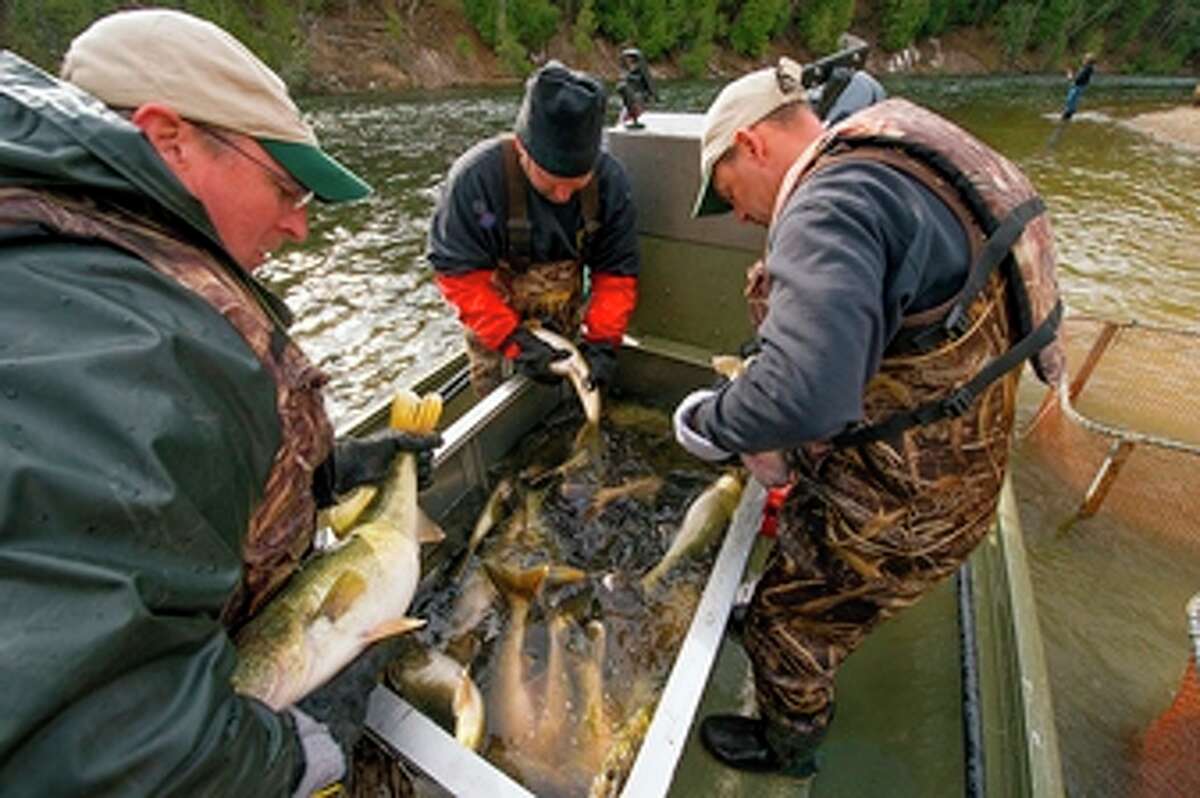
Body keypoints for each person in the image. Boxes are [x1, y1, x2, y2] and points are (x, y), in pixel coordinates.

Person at [0, 9, 439, 796]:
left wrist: (324, 475)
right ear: (168, 139)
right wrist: (304, 752)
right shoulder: (122, 338)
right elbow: (105, 747)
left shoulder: (78, 263)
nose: (300, 224)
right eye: (285, 185)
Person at [672, 57, 1065, 777]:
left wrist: (710, 419)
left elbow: (807, 396)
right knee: (802, 564)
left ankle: (787, 748)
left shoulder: (825, 203)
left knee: (785, 624)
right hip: (964, 478)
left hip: (901, 511)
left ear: (753, 144)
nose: (741, 215)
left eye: (730, 191)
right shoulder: (905, 148)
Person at [428, 60, 640, 398]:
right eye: (552, 182)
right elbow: (459, 278)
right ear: (522, 150)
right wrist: (514, 342)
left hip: (566, 320)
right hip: (494, 326)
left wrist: (602, 342)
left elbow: (616, 276)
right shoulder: (476, 180)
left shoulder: (611, 183)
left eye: (576, 183)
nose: (563, 195)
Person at [616, 47, 658, 128]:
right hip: (629, 100)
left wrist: (652, 97)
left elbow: (650, 85)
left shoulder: (642, 71)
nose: (628, 61)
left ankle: (635, 117)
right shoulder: (626, 72)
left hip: (640, 98)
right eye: (626, 59)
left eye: (630, 59)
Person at [1062, 53, 1097, 120]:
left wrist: (1070, 75)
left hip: (1078, 87)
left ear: (1087, 61)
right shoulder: (1088, 68)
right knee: (1072, 100)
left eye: (1085, 59)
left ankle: (1067, 116)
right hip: (1080, 86)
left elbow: (1078, 79)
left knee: (1070, 100)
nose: (1083, 60)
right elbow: (1079, 78)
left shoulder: (1086, 69)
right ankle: (1069, 115)